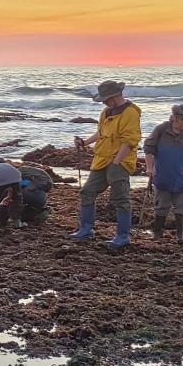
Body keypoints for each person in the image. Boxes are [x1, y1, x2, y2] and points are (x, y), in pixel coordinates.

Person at [69, 80, 142, 247]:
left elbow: (130, 141)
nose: (103, 102)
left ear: (115, 96)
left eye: (106, 99)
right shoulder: (106, 112)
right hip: (101, 159)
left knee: (120, 199)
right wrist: (85, 142)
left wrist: (117, 162)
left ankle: (123, 236)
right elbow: (100, 133)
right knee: (87, 192)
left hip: (120, 162)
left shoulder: (131, 113)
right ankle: (86, 229)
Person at [144, 103, 183, 243]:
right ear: (174, 118)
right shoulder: (161, 129)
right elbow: (148, 148)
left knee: (181, 208)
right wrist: (150, 168)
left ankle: (180, 235)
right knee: (161, 206)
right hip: (163, 176)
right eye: (182, 119)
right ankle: (158, 234)